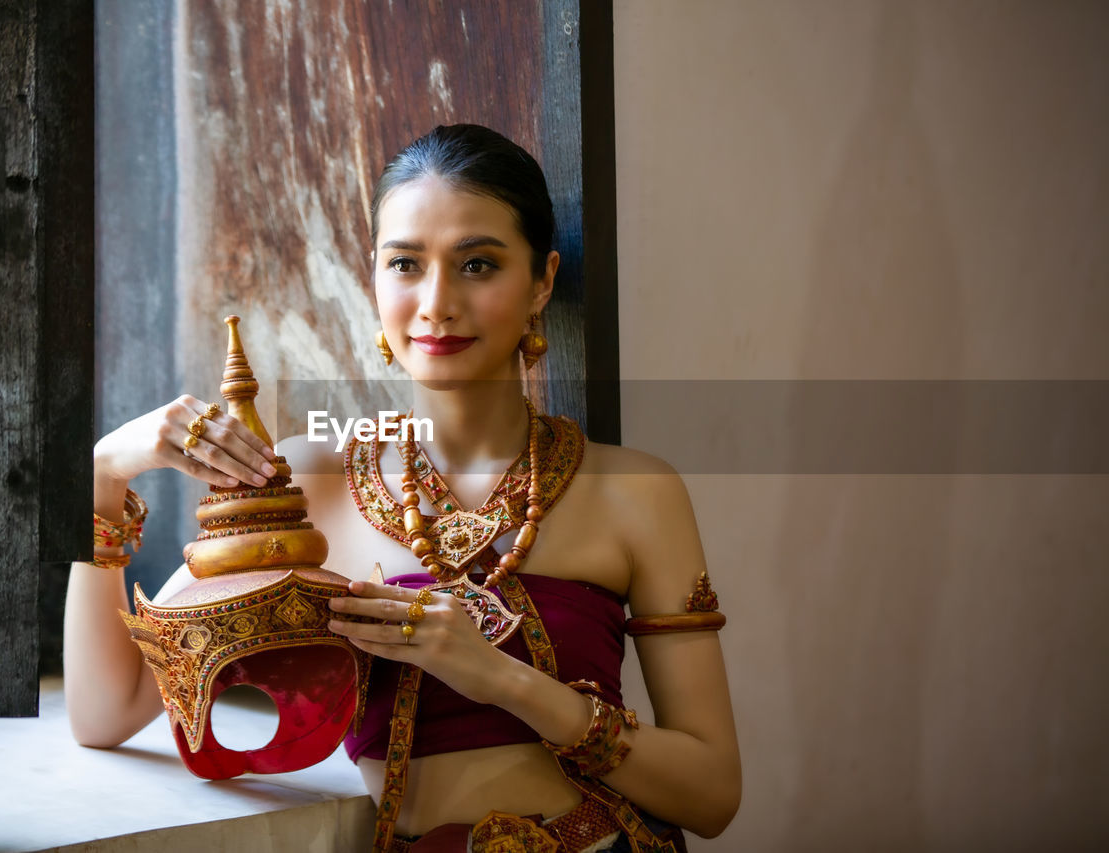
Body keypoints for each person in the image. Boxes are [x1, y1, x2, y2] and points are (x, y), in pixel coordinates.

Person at [65, 124, 740, 851]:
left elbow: (711, 794)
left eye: (478, 264)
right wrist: (103, 472)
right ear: (375, 278)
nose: (437, 302)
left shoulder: (635, 490)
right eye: (407, 264)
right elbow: (110, 709)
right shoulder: (308, 482)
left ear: (542, 280)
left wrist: (507, 682)